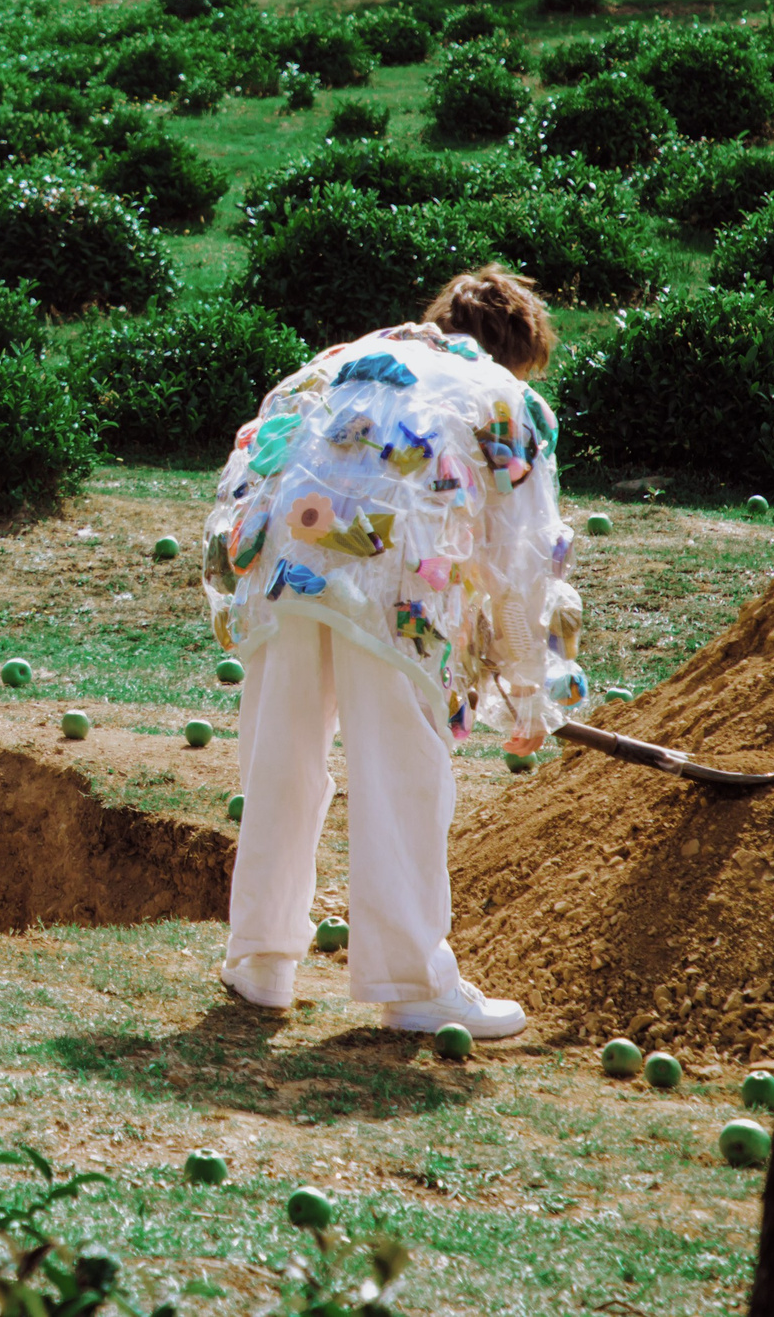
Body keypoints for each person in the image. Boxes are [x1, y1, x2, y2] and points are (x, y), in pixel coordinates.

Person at [200, 265, 587, 1038]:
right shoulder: (503, 397)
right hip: (393, 582)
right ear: (519, 355)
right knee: (401, 771)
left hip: (283, 561)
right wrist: (528, 688)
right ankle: (412, 982)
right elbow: (521, 555)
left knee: (281, 760)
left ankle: (261, 960)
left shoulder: (343, 361)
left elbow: (258, 461)